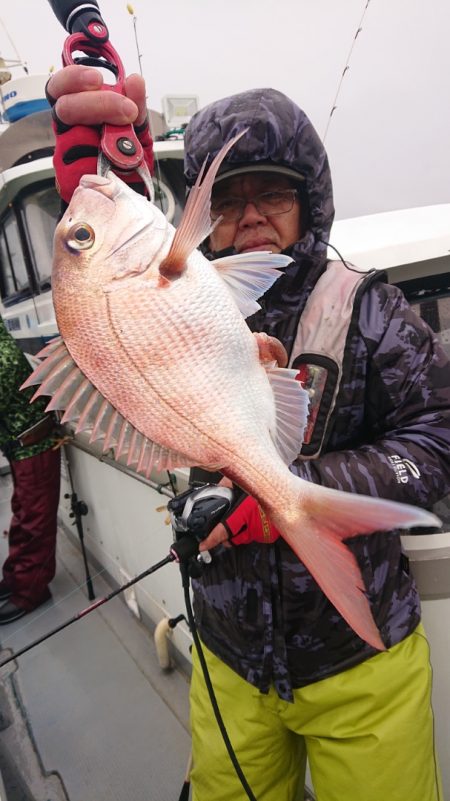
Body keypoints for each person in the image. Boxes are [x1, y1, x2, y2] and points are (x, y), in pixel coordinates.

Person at [47, 67, 450, 801]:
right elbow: (116, 343)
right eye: (228, 199)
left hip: (362, 664)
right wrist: (111, 171)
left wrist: (295, 494)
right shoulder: (189, 292)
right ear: (201, 216)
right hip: (229, 655)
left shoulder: (371, 312)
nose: (251, 213)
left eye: (274, 193)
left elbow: (438, 439)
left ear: (310, 200)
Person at [0, 315, 61, 624]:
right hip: (20, 448)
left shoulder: (3, 357)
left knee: (35, 521)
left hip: (34, 448)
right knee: (22, 516)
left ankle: (31, 591)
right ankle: (15, 578)